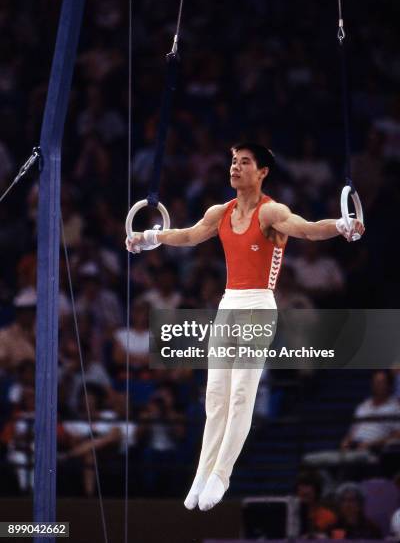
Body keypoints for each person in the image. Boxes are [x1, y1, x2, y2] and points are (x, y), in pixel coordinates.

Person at [126, 142, 365, 511]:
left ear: (262, 172)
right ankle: (201, 475)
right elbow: (188, 235)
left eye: (245, 162)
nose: (235, 167)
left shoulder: (272, 213)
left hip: (258, 306)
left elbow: (308, 230)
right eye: (234, 161)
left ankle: (222, 474)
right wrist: (148, 237)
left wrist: (342, 224)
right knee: (215, 396)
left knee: (240, 395)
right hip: (228, 305)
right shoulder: (220, 212)